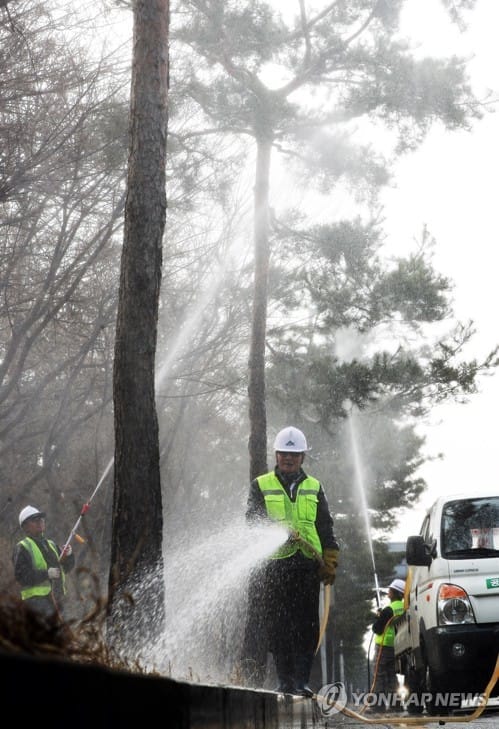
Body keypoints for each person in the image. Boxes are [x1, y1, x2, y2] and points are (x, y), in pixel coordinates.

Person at [241, 426, 340, 697]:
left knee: (307, 624)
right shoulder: (261, 485)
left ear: (302, 458)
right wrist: (278, 532)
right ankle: (284, 681)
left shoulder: (314, 486)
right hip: (275, 565)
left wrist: (330, 558)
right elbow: (252, 521)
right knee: (279, 626)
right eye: (284, 453)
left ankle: (302, 682)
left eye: (294, 454)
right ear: (276, 455)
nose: (288, 458)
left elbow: (325, 526)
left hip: (308, 565)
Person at [12, 505, 75, 622]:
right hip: (36, 602)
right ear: (25, 527)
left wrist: (69, 556)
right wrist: (46, 574)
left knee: (61, 636)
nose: (39, 522)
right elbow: (21, 576)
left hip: (57, 598)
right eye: (34, 520)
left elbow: (66, 568)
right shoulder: (22, 547)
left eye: (41, 519)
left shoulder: (51, 544)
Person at [370, 578, 406, 712]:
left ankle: (377, 705)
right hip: (397, 647)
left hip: (384, 647)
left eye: (390, 590)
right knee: (391, 675)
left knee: (378, 674)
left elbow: (377, 629)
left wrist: (379, 617)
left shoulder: (389, 609)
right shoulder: (403, 607)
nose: (388, 592)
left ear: (395, 592)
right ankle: (396, 704)